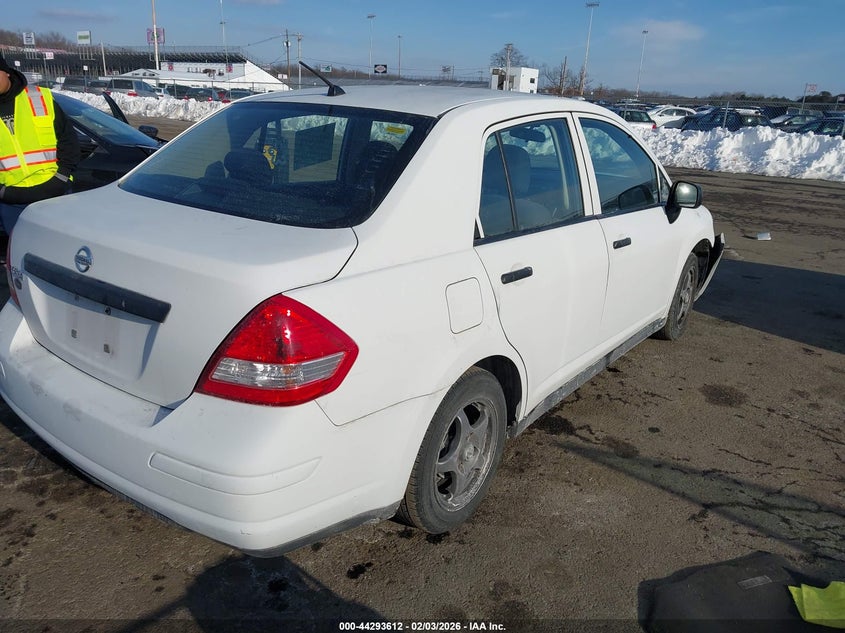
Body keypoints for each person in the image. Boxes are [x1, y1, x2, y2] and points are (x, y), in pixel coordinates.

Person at [0, 55, 80, 240]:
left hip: (55, 195)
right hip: (11, 202)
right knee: (22, 252)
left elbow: (69, 141)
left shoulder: (38, 98)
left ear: (6, 72)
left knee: (61, 249)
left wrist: (61, 178)